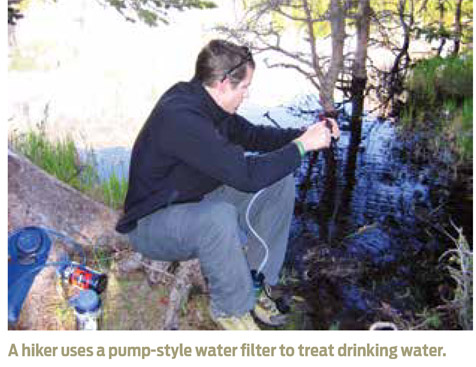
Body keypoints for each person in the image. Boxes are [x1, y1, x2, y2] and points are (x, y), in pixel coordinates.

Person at [116, 39, 340, 330]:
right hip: (152, 224)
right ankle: (230, 310)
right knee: (218, 217)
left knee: (279, 182)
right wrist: (301, 147)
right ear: (223, 83)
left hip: (194, 200)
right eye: (244, 87)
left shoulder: (212, 106)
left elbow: (255, 136)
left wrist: (304, 133)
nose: (246, 95)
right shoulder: (182, 117)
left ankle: (257, 281)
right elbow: (245, 175)